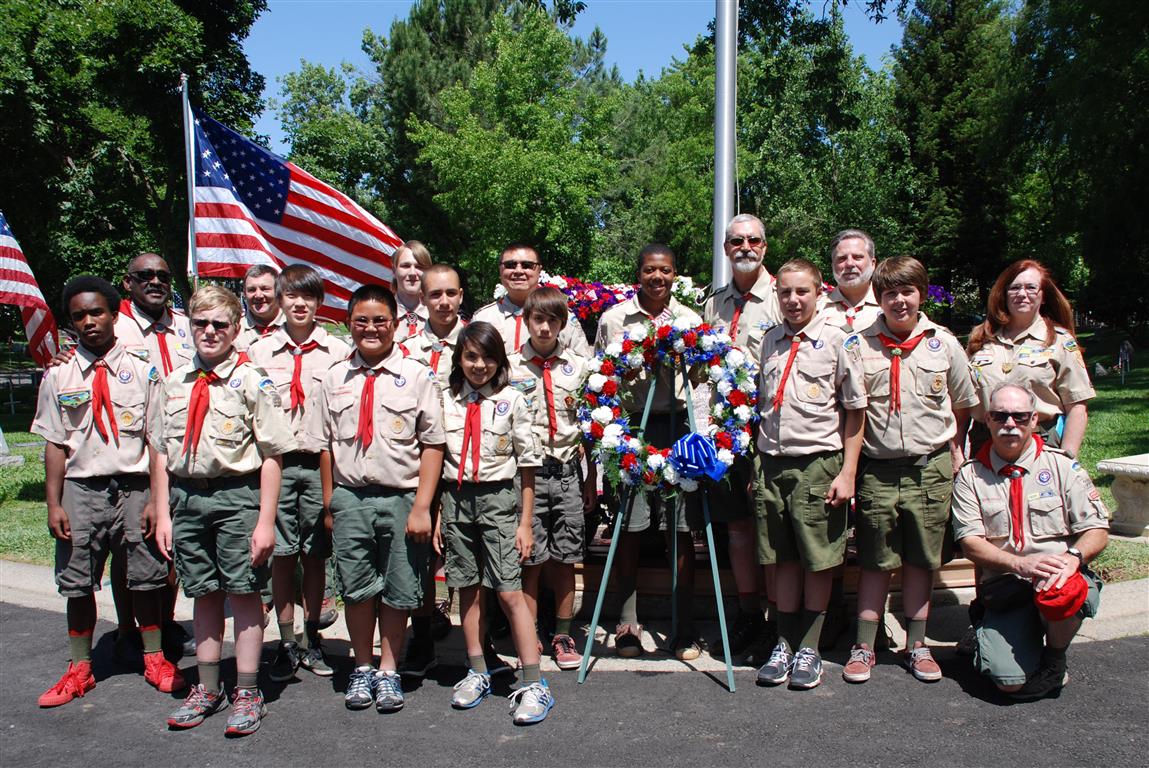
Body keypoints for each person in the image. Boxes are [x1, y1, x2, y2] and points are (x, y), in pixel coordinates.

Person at [32, 276, 184, 707]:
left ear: (115, 315)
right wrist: (53, 503)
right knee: (77, 581)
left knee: (147, 576)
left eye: (96, 312)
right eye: (79, 316)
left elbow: (156, 441)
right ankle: (80, 666)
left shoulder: (142, 370)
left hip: (135, 488)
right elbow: (55, 443)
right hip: (81, 489)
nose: (89, 322)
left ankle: (154, 657)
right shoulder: (59, 374)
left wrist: (156, 499)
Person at [154, 285, 297, 736]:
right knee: (203, 592)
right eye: (201, 323)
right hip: (187, 499)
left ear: (236, 329)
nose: (210, 331)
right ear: (190, 327)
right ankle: (208, 686)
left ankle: (248, 690)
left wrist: (266, 522)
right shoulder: (174, 382)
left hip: (238, 497)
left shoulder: (252, 381)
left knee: (245, 593)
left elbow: (272, 455)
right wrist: (163, 514)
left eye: (220, 324)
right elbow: (160, 453)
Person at [304, 283, 445, 714]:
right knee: (357, 588)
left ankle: (388, 669)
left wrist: (422, 507)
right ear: (349, 324)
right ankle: (362, 666)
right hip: (351, 497)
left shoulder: (417, 375)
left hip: (402, 498)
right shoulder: (333, 377)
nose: (371, 328)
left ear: (395, 324)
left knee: (400, 588)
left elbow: (432, 445)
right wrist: (331, 502)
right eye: (361, 320)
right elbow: (325, 446)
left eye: (380, 320)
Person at [841, 256, 979, 684]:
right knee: (875, 559)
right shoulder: (858, 346)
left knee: (922, 557)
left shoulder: (944, 344)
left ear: (921, 294)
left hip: (929, 468)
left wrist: (954, 446)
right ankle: (865, 645)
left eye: (907, 292)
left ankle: (917, 645)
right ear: (878, 298)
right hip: (878, 469)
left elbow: (962, 403)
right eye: (889, 294)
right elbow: (852, 413)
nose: (899, 301)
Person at [951, 383, 1108, 699]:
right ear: (988, 420)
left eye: (1020, 416)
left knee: (1066, 592)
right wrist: (1020, 564)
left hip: (1056, 579)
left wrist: (1072, 559)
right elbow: (970, 542)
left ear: (1034, 420)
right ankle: (990, 630)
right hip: (1007, 584)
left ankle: (1055, 660)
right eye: (1000, 416)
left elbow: (1097, 530)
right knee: (1007, 682)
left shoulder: (1062, 466)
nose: (1010, 424)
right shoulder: (971, 475)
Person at [753, 260, 867, 690]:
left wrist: (848, 472)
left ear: (820, 293)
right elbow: (763, 406)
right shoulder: (769, 341)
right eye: (785, 292)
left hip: (818, 464)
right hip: (773, 464)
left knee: (817, 561)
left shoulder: (838, 340)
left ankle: (809, 648)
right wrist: (758, 463)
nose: (793, 300)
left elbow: (855, 412)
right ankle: (783, 642)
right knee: (781, 558)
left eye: (802, 291)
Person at [436, 322, 555, 725]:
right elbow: (437, 460)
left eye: (488, 357)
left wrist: (525, 523)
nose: (479, 365)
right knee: (467, 590)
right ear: (459, 359)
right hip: (456, 501)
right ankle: (477, 670)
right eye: (471, 356)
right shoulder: (446, 400)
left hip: (499, 500)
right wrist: (438, 514)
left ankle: (534, 681)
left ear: (500, 361)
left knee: (508, 592)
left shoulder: (511, 400)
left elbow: (527, 466)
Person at [594, 243, 706, 660]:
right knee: (631, 525)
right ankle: (627, 622)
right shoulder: (614, 318)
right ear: (638, 273)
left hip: (675, 426)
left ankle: (683, 625)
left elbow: (704, 371)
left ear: (675, 274)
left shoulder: (689, 319)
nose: (657, 277)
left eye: (665, 270)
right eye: (649, 270)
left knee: (681, 528)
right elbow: (600, 374)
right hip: (632, 427)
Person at [247, 266, 351, 683]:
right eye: (291, 295)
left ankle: (312, 637)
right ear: (279, 300)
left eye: (308, 296)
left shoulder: (337, 351)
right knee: (283, 555)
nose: (299, 303)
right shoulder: (259, 352)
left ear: (319, 302)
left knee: (315, 553)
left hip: (318, 463)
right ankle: (286, 641)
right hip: (277, 465)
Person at [700, 214, 781, 660]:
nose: (745, 247)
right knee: (737, 528)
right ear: (726, 249)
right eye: (736, 241)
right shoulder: (715, 304)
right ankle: (749, 614)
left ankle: (779, 618)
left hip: (771, 429)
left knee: (772, 526)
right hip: (727, 435)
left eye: (753, 240)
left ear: (764, 247)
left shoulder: (782, 297)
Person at [509, 287, 597, 671]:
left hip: (566, 475)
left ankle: (563, 633)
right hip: (526, 476)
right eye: (538, 319)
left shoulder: (579, 367)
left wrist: (591, 478)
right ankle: (528, 633)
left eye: (552, 320)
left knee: (566, 558)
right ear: (526, 321)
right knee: (529, 559)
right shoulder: (509, 367)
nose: (544, 328)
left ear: (563, 324)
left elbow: (591, 426)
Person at [966, 259, 1094, 458]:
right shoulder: (980, 339)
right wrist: (957, 453)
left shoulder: (1060, 341)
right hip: (985, 444)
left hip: (1040, 444)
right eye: (1014, 287)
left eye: (1031, 287)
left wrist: (1067, 459)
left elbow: (1077, 406)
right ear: (1004, 294)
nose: (1022, 294)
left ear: (1043, 296)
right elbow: (962, 403)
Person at [472, 242, 592, 357]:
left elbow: (583, 364)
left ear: (539, 270)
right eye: (510, 265)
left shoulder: (562, 315)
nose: (518, 271)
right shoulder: (483, 318)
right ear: (500, 270)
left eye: (527, 265)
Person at [820, 229, 882, 332]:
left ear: (873, 263)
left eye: (857, 257)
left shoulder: (890, 305)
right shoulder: (815, 308)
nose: (849, 264)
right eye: (842, 258)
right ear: (833, 265)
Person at [235, 264, 285, 351]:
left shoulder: (297, 326)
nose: (258, 295)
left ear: (278, 291)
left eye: (265, 289)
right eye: (252, 290)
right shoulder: (233, 330)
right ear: (245, 294)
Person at [392, 241, 432, 343]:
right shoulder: (380, 316)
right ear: (394, 271)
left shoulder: (439, 316)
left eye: (419, 267)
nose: (412, 273)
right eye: (405, 266)